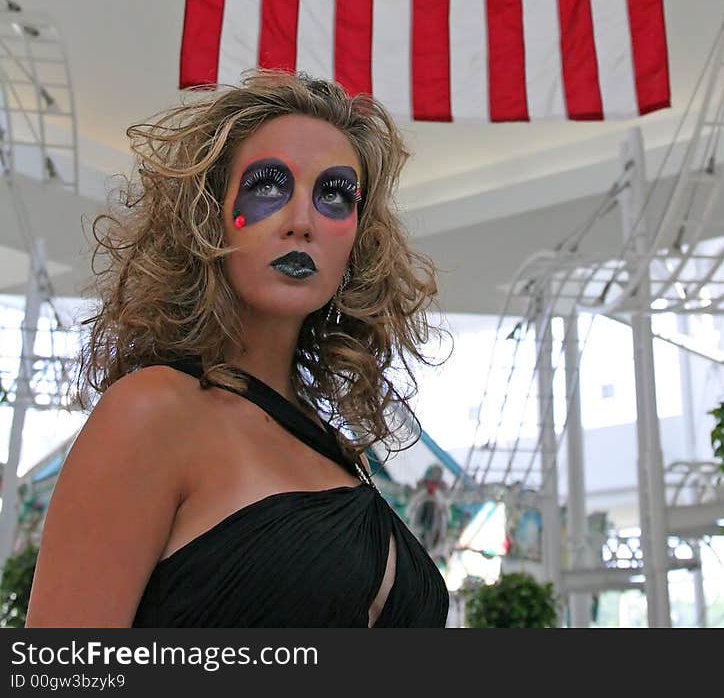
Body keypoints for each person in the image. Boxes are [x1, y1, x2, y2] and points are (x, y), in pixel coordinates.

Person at [26, 70, 449, 628]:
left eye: (335, 195)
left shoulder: (343, 455)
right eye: (269, 186)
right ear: (209, 215)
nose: (301, 222)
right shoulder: (153, 412)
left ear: (358, 237)